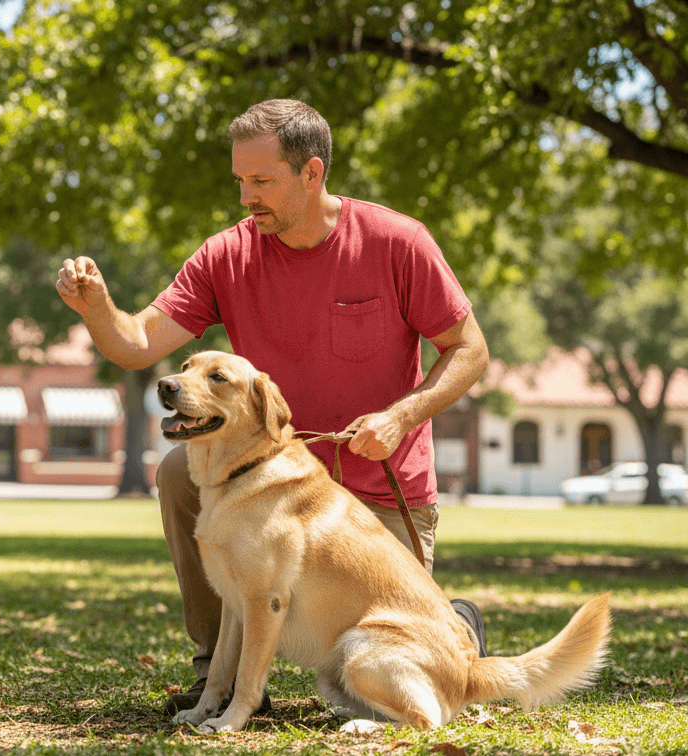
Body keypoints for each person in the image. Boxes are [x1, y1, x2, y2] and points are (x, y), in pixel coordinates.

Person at [54, 99, 491, 716]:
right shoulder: (226, 255)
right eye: (240, 180)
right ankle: (221, 678)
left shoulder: (397, 241)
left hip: (378, 493)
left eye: (261, 181)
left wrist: (401, 417)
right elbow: (137, 344)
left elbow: (470, 350)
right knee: (179, 470)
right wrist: (96, 307)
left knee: (395, 641)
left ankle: (460, 629)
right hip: (268, 482)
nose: (245, 197)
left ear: (312, 173)